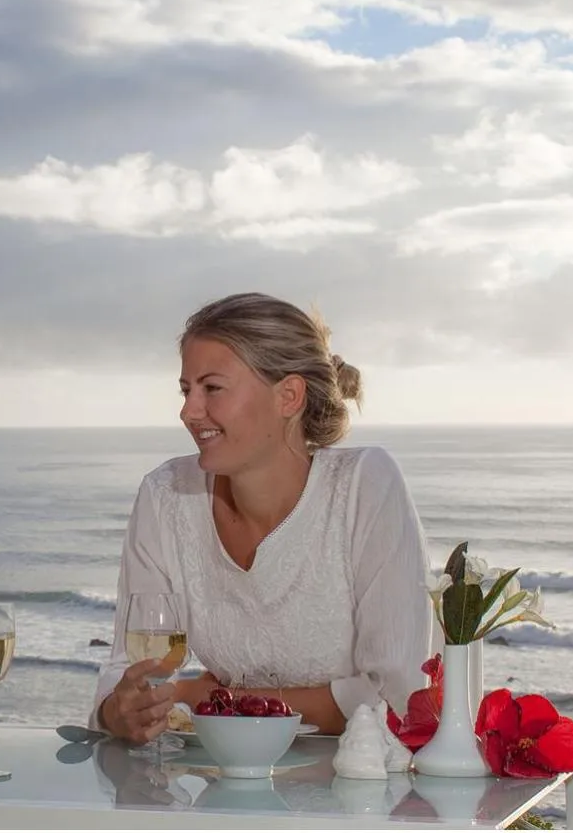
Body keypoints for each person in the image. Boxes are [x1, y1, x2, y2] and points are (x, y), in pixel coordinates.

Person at [92, 292, 431, 744]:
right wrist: (122, 711)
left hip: (361, 792)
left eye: (211, 388)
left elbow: (398, 697)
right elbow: (124, 670)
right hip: (225, 793)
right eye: (186, 389)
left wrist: (207, 698)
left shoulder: (363, 486)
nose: (189, 411)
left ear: (288, 395)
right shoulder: (166, 495)